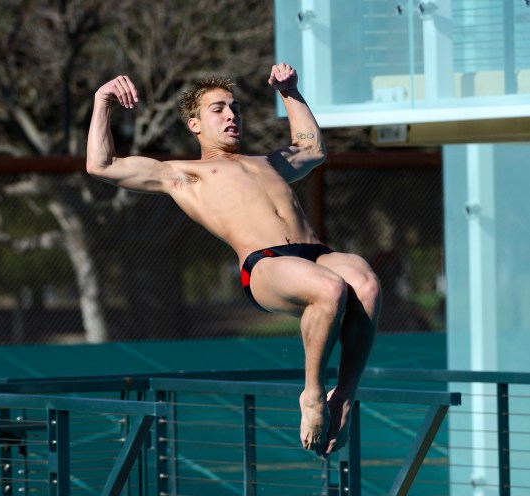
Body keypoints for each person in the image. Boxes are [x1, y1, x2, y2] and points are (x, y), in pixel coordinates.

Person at [86, 63, 381, 458]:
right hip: (267, 264)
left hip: (315, 253)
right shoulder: (183, 175)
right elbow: (100, 165)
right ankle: (312, 396)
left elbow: (312, 148)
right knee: (329, 290)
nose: (231, 115)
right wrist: (101, 101)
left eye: (235, 108)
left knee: (366, 283)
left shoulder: (268, 163)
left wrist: (290, 92)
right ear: (195, 125)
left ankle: (342, 396)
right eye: (218, 109)